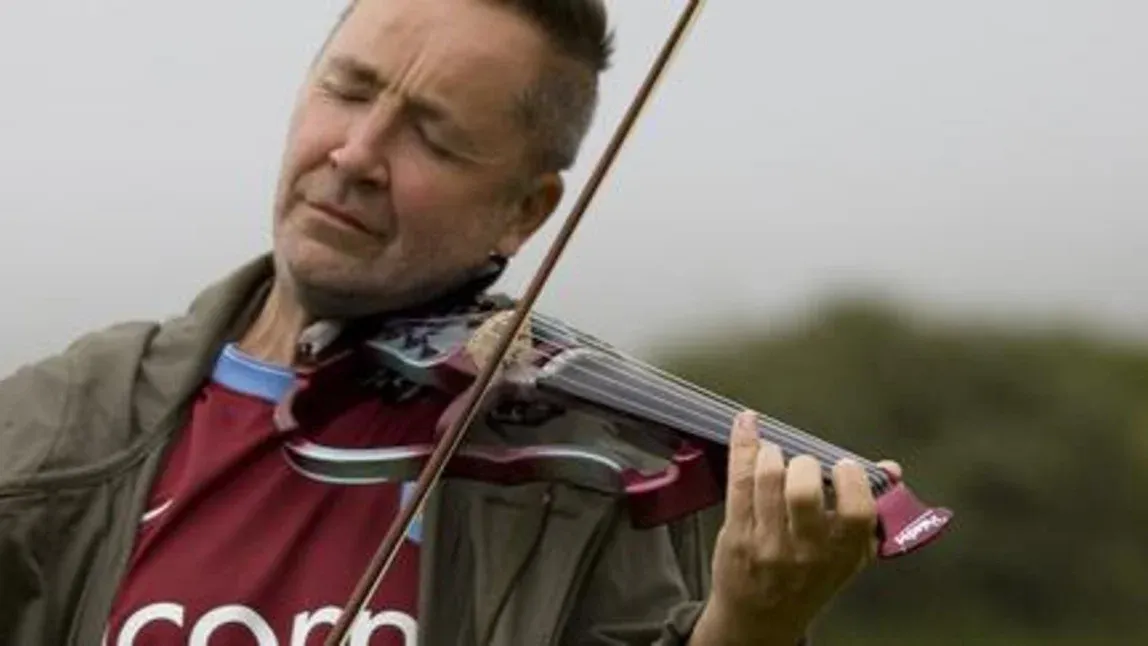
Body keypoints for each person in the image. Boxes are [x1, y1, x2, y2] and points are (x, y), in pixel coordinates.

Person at [0, 0, 899, 644]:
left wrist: (753, 623)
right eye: (348, 91)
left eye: (430, 136)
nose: (354, 154)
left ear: (524, 211)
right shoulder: (61, 424)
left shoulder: (590, 468)